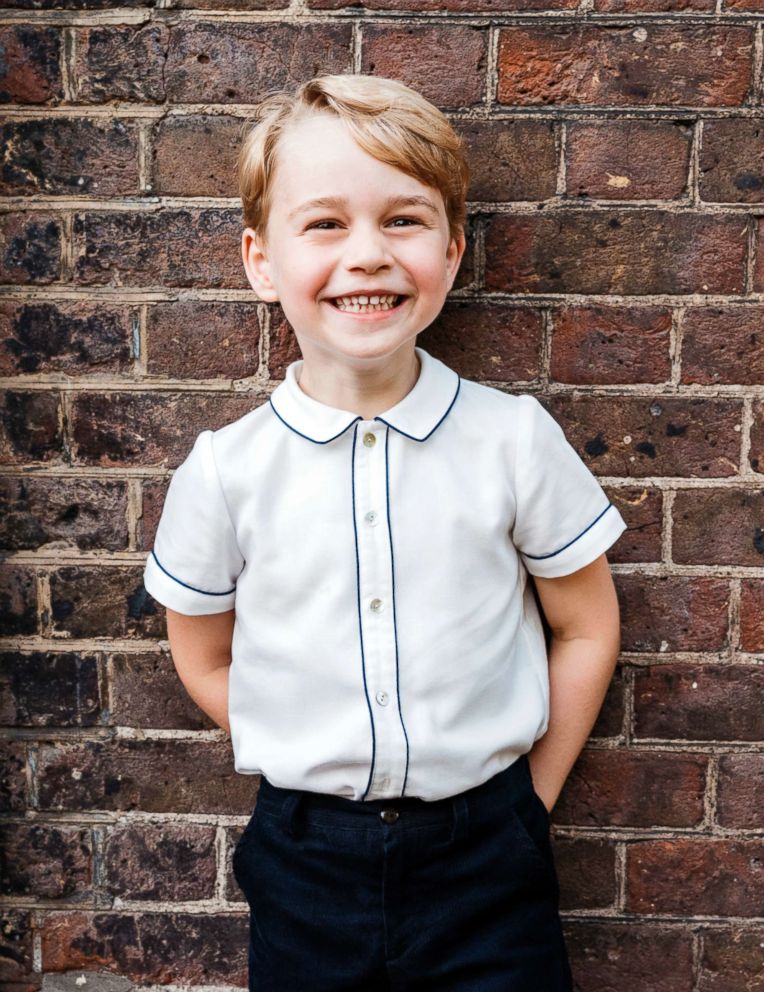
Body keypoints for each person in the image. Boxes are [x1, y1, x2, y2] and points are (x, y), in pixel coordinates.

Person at [142, 73, 627, 991]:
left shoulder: (512, 439)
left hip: (489, 853)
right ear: (260, 259)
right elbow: (204, 657)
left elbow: (586, 625)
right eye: (324, 224)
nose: (367, 254)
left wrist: (531, 800)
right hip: (306, 861)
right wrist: (306, 732)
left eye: (402, 220)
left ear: (450, 251)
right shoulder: (226, 469)